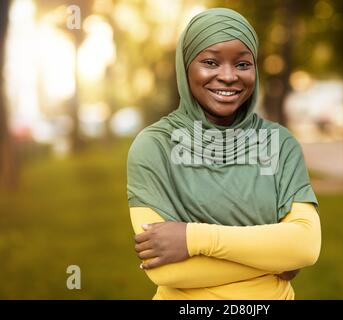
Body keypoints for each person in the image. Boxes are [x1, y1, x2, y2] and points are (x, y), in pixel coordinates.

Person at [127, 7, 321, 300]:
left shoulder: (280, 144)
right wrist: (273, 256)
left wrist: (192, 239)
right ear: (185, 67)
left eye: (243, 64)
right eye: (210, 62)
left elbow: (305, 246)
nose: (229, 76)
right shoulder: (154, 146)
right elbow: (165, 271)